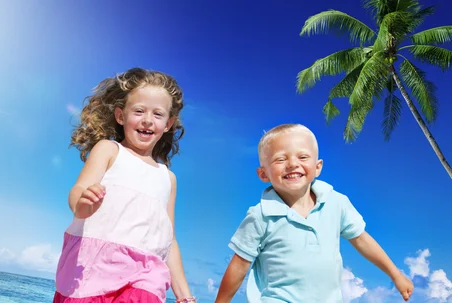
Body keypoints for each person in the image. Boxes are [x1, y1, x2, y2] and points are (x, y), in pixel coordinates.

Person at [215, 123, 414, 303]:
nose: (292, 164)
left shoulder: (336, 202)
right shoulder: (260, 215)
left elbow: (361, 239)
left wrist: (395, 274)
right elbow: (239, 266)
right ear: (263, 174)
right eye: (280, 159)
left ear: (317, 167)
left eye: (302, 157)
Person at [54, 67, 195, 303]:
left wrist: (185, 296)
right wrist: (82, 204)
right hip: (93, 268)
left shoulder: (168, 178)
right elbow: (79, 190)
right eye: (139, 111)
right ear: (121, 116)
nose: (148, 120)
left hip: (146, 273)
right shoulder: (109, 150)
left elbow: (169, 239)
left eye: (158, 114)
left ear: (168, 123)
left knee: (146, 293)